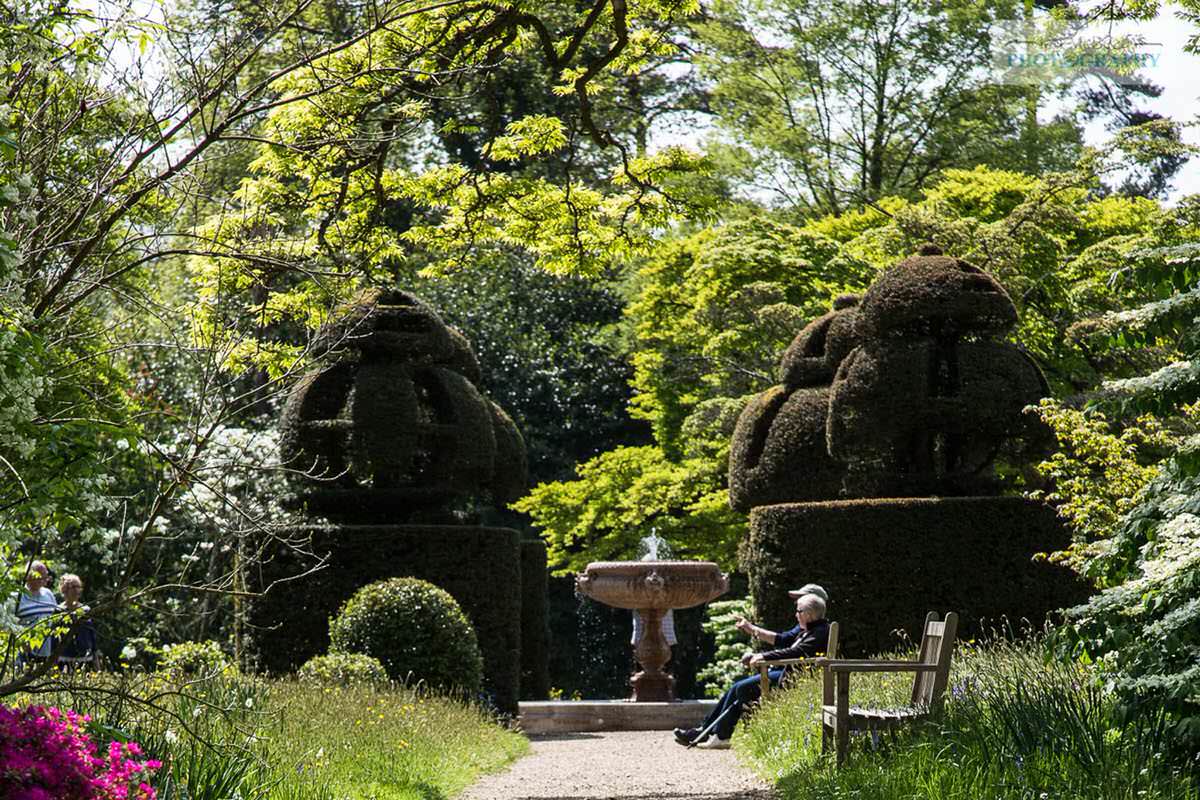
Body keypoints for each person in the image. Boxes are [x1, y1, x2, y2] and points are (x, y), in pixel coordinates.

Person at [674, 585, 831, 749]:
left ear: (810, 611)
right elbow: (787, 643)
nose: (795, 613)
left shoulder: (817, 630)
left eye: (799, 609)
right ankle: (708, 731)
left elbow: (797, 651)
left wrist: (764, 656)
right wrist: (755, 638)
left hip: (794, 676)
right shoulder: (808, 629)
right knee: (737, 687)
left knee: (742, 688)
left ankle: (720, 734)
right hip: (786, 671)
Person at [15, 560, 58, 666]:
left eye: (46, 576)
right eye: (42, 576)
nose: (45, 580)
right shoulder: (17, 596)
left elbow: (56, 619)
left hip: (47, 653)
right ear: (30, 575)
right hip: (24, 654)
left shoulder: (48, 594)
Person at [55, 574, 101, 671]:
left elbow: (93, 638)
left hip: (86, 660)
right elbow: (54, 639)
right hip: (64, 659)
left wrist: (96, 663)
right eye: (73, 587)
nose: (77, 590)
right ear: (64, 589)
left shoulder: (86, 610)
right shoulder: (58, 611)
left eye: (78, 587)